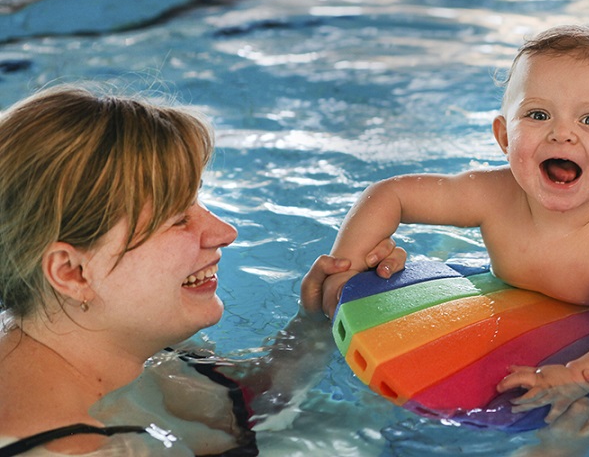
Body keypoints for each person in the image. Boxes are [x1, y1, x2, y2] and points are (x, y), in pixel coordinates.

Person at [301, 23, 589, 425]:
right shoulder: (494, 194)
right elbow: (390, 194)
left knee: (579, 418)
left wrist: (578, 375)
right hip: (509, 309)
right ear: (504, 135)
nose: (562, 133)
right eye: (538, 114)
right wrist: (349, 267)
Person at [0, 84, 406, 456]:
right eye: (178, 219)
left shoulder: (118, 338)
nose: (225, 232)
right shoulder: (69, 448)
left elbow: (241, 405)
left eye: (199, 201)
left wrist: (318, 322)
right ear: (72, 273)